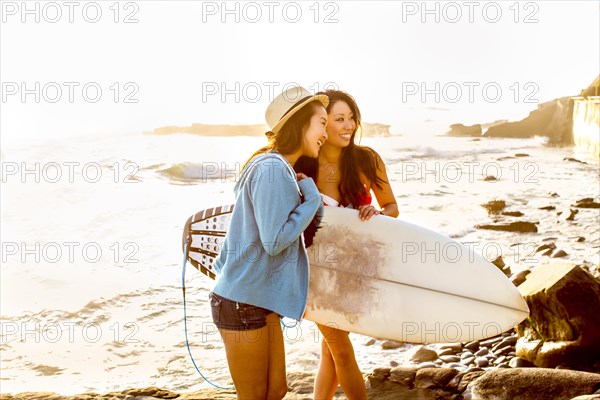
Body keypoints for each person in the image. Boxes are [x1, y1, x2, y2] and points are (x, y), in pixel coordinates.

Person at [210, 87, 329, 400]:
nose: (325, 134)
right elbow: (274, 241)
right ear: (300, 123)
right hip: (241, 301)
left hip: (257, 298)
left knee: (276, 390)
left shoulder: (278, 168)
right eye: (322, 123)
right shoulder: (272, 169)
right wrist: (312, 196)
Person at [296, 90, 399, 400]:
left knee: (331, 350)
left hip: (355, 268)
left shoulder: (367, 159)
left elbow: (392, 207)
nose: (348, 126)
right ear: (321, 124)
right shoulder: (302, 165)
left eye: (352, 118)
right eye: (339, 119)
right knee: (339, 348)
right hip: (314, 270)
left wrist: (378, 214)